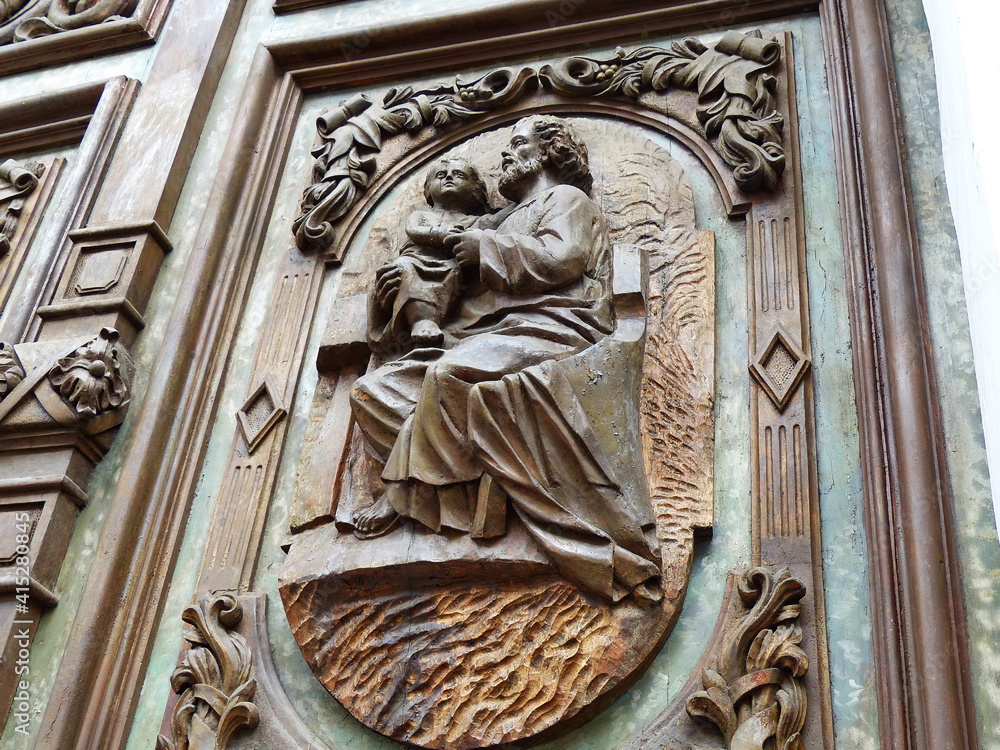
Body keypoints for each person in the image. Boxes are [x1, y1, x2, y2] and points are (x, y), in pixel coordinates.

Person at [350, 116, 661, 602]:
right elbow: (449, 288)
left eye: (517, 145)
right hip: (482, 335)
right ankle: (455, 489)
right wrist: (396, 294)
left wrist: (486, 248)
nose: (506, 156)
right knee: (374, 391)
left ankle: (407, 488)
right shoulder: (500, 218)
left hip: (551, 327)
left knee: (449, 374)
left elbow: (565, 259)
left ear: (547, 153)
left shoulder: (567, 200)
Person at [369, 158, 491, 350]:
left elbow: (496, 223)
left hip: (449, 263)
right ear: (427, 189)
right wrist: (441, 234)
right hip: (417, 260)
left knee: (456, 274)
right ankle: (420, 320)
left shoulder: (475, 221)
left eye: (458, 175)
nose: (449, 177)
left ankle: (435, 318)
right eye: (441, 175)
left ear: (476, 189)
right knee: (404, 271)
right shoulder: (423, 216)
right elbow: (414, 230)